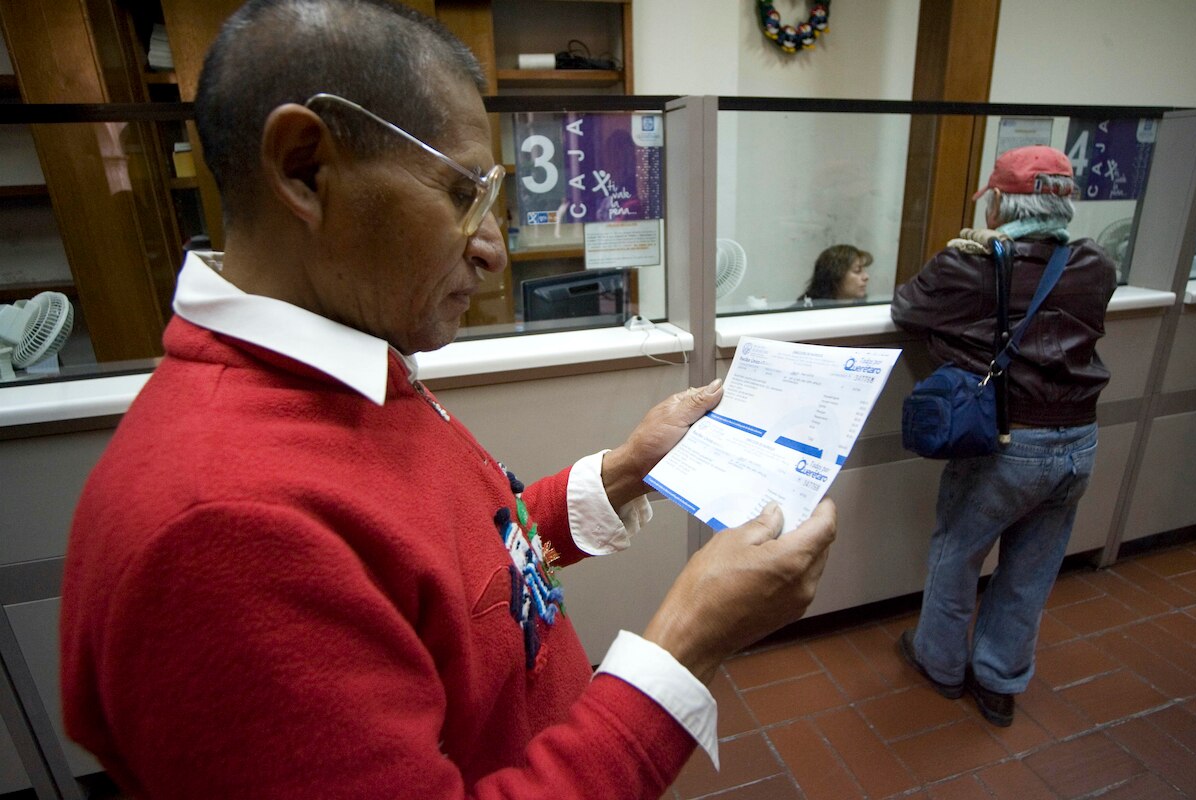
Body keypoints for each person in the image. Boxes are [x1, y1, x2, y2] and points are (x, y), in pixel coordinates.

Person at [58, 2, 837, 798]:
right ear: (304, 167)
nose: (494, 249)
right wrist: (689, 641)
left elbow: (464, 567)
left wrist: (626, 470)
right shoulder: (219, 535)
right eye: (463, 193)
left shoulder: (338, 366)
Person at [890, 145, 1116, 727]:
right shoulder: (1095, 263)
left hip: (1009, 445)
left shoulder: (969, 266)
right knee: (1031, 570)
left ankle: (940, 664)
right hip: (1079, 443)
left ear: (997, 203)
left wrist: (961, 253)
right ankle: (998, 682)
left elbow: (907, 309)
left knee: (957, 555)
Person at [799, 243, 873, 303]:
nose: (866, 277)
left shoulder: (866, 310)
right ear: (835, 275)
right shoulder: (805, 312)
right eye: (857, 270)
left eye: (864, 270)